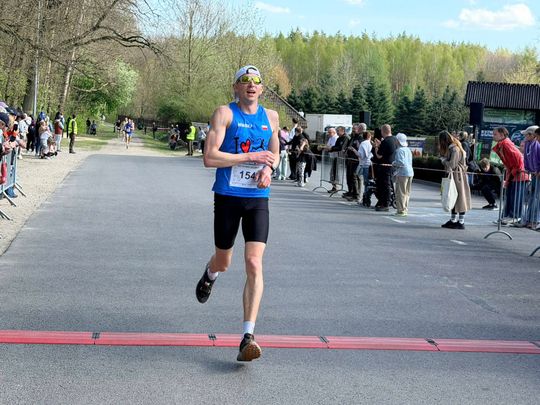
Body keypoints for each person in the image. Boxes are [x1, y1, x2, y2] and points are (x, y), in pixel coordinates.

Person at [196, 65, 279, 362]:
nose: (251, 85)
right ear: (236, 87)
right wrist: (250, 156)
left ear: (262, 88)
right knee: (224, 261)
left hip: (257, 199)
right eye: (245, 80)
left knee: (254, 262)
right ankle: (211, 273)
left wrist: (269, 169)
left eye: (256, 81)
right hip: (228, 197)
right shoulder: (224, 114)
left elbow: (274, 154)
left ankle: (248, 336)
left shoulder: (271, 117)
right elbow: (209, 157)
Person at [492, 126, 529, 222]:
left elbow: (518, 159)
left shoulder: (506, 144)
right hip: (515, 173)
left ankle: (514, 216)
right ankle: (508, 215)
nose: (493, 136)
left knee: (515, 197)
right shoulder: (503, 144)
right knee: (510, 196)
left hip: (518, 174)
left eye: (495, 134)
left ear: (502, 135)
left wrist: (513, 171)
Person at [439, 130, 471, 229]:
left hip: (457, 175)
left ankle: (460, 222)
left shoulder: (454, 149)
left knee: (459, 197)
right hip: (458, 175)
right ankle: (454, 220)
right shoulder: (455, 147)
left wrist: (443, 160)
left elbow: (452, 164)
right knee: (453, 196)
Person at [373, 124, 397, 211]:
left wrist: (376, 147)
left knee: (384, 185)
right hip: (392, 166)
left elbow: (379, 155)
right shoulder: (394, 139)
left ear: (383, 131)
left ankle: (385, 203)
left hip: (384, 166)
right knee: (387, 185)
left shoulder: (386, 141)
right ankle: (383, 202)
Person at [392, 133, 414, 216]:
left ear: (398, 141)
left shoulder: (399, 150)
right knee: (407, 192)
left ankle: (401, 210)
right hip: (410, 172)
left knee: (400, 192)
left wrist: (393, 163)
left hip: (402, 173)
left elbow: (401, 162)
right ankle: (405, 209)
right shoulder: (408, 149)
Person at [343, 123, 365, 201]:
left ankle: (356, 195)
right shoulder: (353, 137)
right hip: (350, 159)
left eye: (354, 129)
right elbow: (349, 145)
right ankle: (351, 192)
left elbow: (360, 148)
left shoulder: (361, 138)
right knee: (349, 176)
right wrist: (346, 150)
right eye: (352, 129)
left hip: (356, 160)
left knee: (355, 177)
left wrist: (353, 149)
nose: (353, 130)